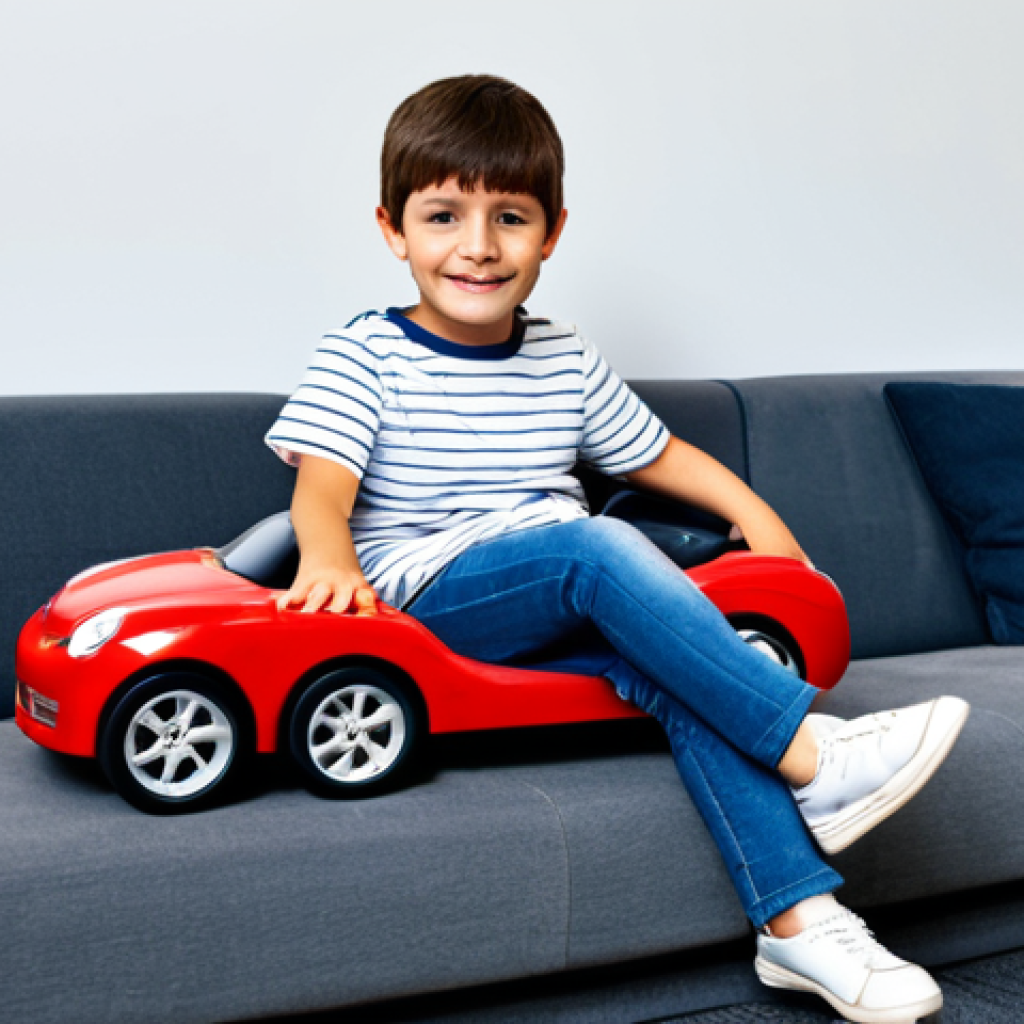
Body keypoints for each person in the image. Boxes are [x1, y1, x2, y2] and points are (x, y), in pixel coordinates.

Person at [265, 74, 968, 1023]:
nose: (477, 247)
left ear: (551, 232)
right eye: (443, 216)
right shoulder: (363, 353)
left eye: (509, 217)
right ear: (393, 230)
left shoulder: (563, 355)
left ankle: (802, 927)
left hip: (564, 592)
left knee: (688, 684)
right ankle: (813, 749)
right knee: (593, 545)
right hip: (430, 599)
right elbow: (322, 489)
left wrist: (760, 518)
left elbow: (663, 452)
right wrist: (329, 559)